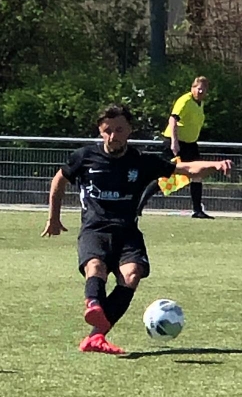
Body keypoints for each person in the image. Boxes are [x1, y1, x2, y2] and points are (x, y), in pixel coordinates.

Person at [41, 104, 231, 355]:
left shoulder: (141, 161)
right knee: (95, 267)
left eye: (119, 130)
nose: (113, 136)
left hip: (127, 231)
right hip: (95, 230)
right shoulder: (84, 157)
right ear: (100, 131)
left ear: (129, 130)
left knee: (131, 275)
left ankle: (96, 336)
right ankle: (93, 303)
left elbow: (185, 169)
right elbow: (59, 179)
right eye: (107, 130)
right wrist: (53, 218)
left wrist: (215, 165)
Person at [140, 76, 213, 218]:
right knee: (165, 175)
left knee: (197, 174)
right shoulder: (185, 100)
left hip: (190, 144)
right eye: (198, 89)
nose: (201, 92)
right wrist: (174, 142)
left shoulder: (200, 103)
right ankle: (138, 207)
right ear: (192, 88)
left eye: (204, 90)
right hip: (177, 142)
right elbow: (172, 120)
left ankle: (197, 210)